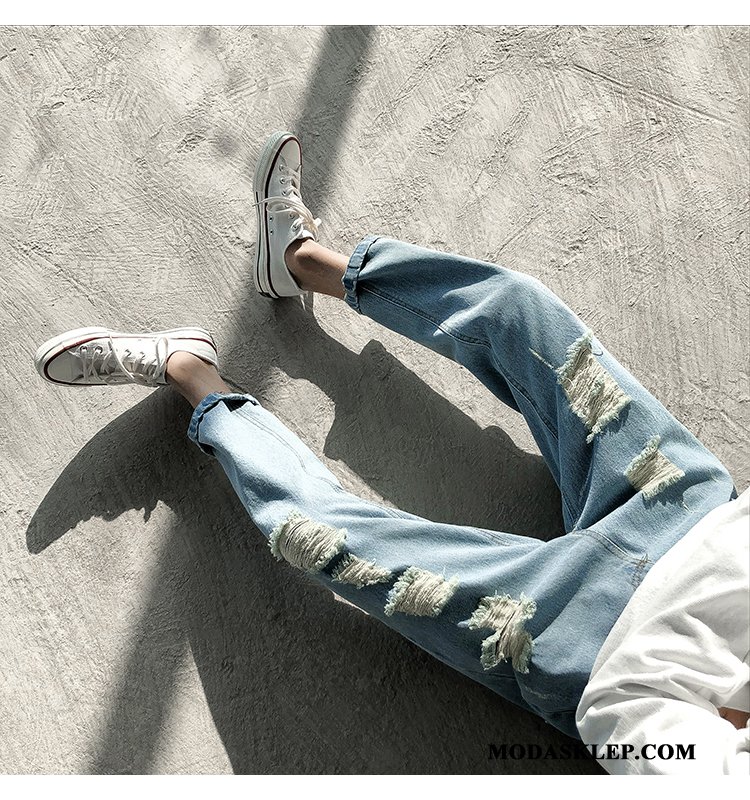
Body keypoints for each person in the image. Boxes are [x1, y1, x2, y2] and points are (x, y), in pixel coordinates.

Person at [33, 131, 749, 775]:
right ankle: (298, 260)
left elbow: (645, 737)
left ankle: (193, 376)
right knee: (517, 310)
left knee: (325, 538)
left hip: (582, 638)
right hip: (689, 510)